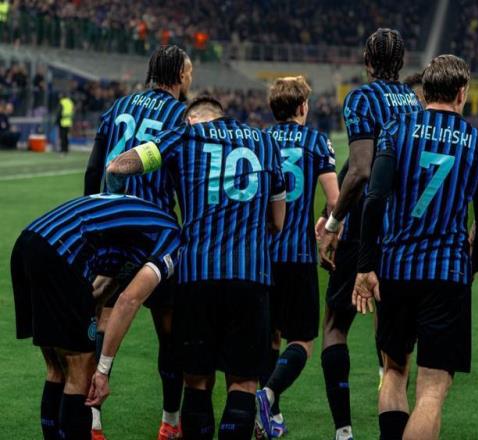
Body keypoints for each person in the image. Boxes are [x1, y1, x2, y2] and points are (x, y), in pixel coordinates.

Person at [99, 96, 286, 440]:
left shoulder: (184, 136)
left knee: (197, 382)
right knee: (244, 382)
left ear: (191, 119)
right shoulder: (265, 141)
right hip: (250, 276)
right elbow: (278, 221)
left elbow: (119, 166)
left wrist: (116, 203)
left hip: (196, 274)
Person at [352, 54, 478, 440]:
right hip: (446, 273)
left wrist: (366, 265)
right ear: (462, 93)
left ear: (426, 90)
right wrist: (471, 267)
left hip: (395, 269)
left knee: (394, 371)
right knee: (431, 391)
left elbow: (374, 199)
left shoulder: (395, 129)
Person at [316, 28, 422, 440]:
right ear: (402, 61)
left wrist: (332, 222)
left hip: (364, 221)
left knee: (335, 324)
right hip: (403, 227)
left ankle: (343, 431)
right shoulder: (413, 100)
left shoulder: (362, 98)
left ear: (366, 60)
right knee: (394, 344)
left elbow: (360, 169)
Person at [84, 45, 192, 440]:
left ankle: (92, 422)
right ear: (179, 75)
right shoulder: (180, 116)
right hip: (154, 229)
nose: (190, 77)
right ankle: (170, 421)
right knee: (168, 330)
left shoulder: (119, 106)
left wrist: (92, 218)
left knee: (103, 319)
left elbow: (94, 167)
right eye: (189, 71)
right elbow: (184, 177)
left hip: (112, 225)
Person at [11, 194, 180, 440]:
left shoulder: (143, 228)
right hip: (61, 253)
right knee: (81, 368)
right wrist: (102, 370)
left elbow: (102, 289)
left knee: (57, 368)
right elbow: (128, 300)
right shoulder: (173, 239)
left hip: (30, 242)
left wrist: (85, 316)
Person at [255, 76, 339, 439]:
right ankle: (268, 395)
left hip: (261, 255)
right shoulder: (316, 141)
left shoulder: (259, 140)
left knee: (270, 337)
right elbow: (335, 201)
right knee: (302, 339)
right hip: (299, 253)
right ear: (303, 106)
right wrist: (328, 226)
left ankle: (269, 418)